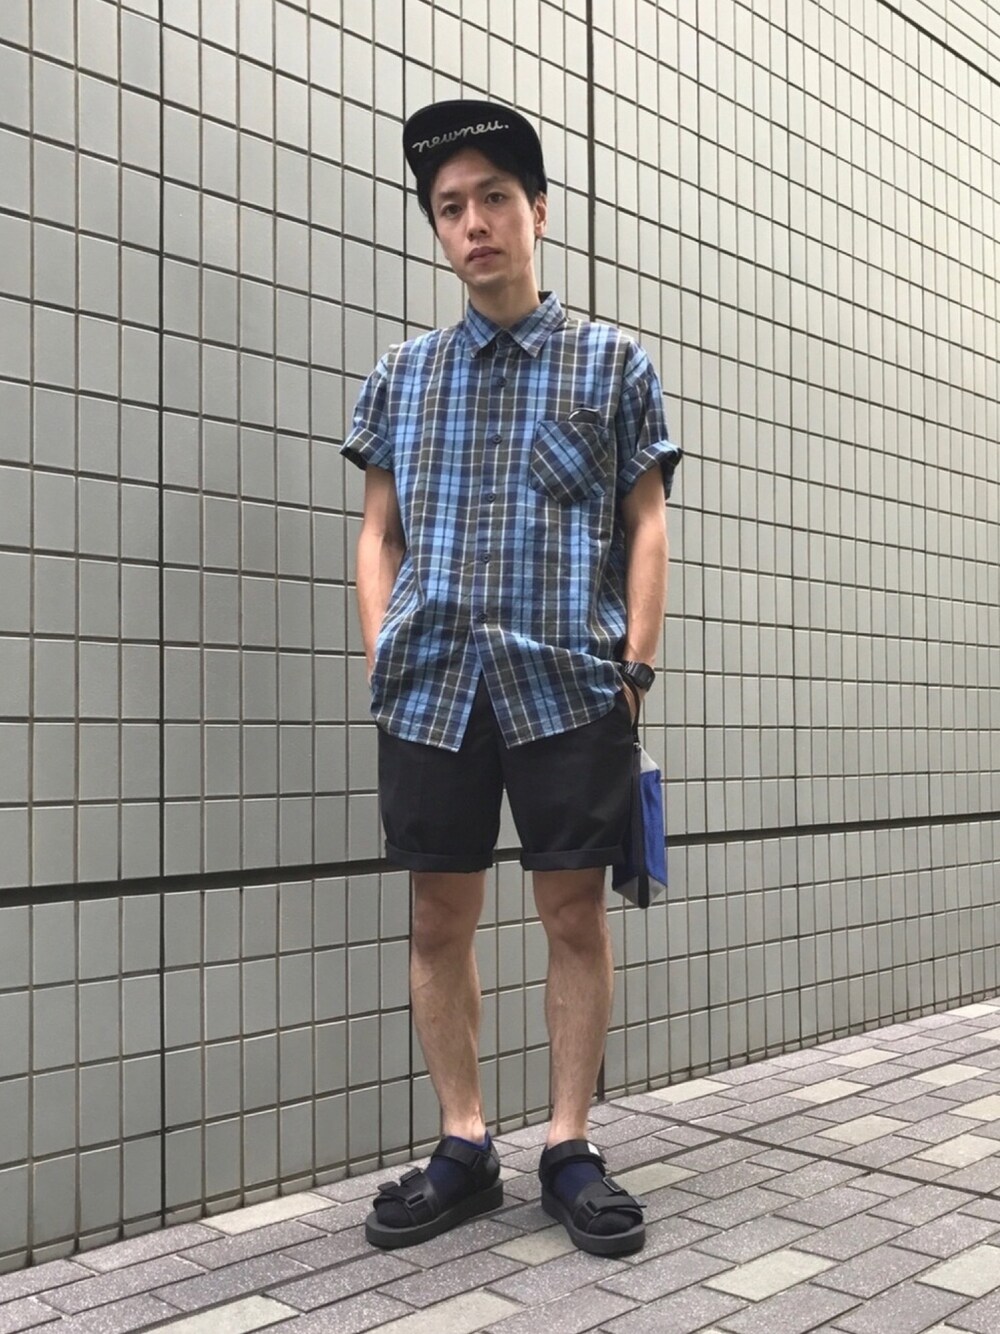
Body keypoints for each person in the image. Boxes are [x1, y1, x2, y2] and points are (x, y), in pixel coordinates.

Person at [341, 100, 681, 1257]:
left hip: (566, 684)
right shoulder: (402, 376)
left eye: (494, 197)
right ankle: (464, 1141)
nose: (474, 222)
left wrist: (633, 667)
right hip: (432, 684)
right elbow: (378, 530)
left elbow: (645, 522)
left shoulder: (611, 365)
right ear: (439, 229)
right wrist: (383, 647)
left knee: (571, 910)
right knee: (436, 914)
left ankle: (569, 1143)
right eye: (451, 207)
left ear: (537, 210)